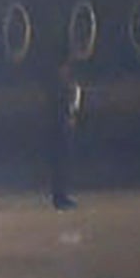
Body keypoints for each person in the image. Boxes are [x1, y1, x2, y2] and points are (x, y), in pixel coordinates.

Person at [47, 61, 83, 208]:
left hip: (65, 126)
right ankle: (59, 196)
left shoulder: (68, 88)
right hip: (61, 128)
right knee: (60, 162)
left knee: (64, 162)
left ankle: (61, 194)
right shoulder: (60, 91)